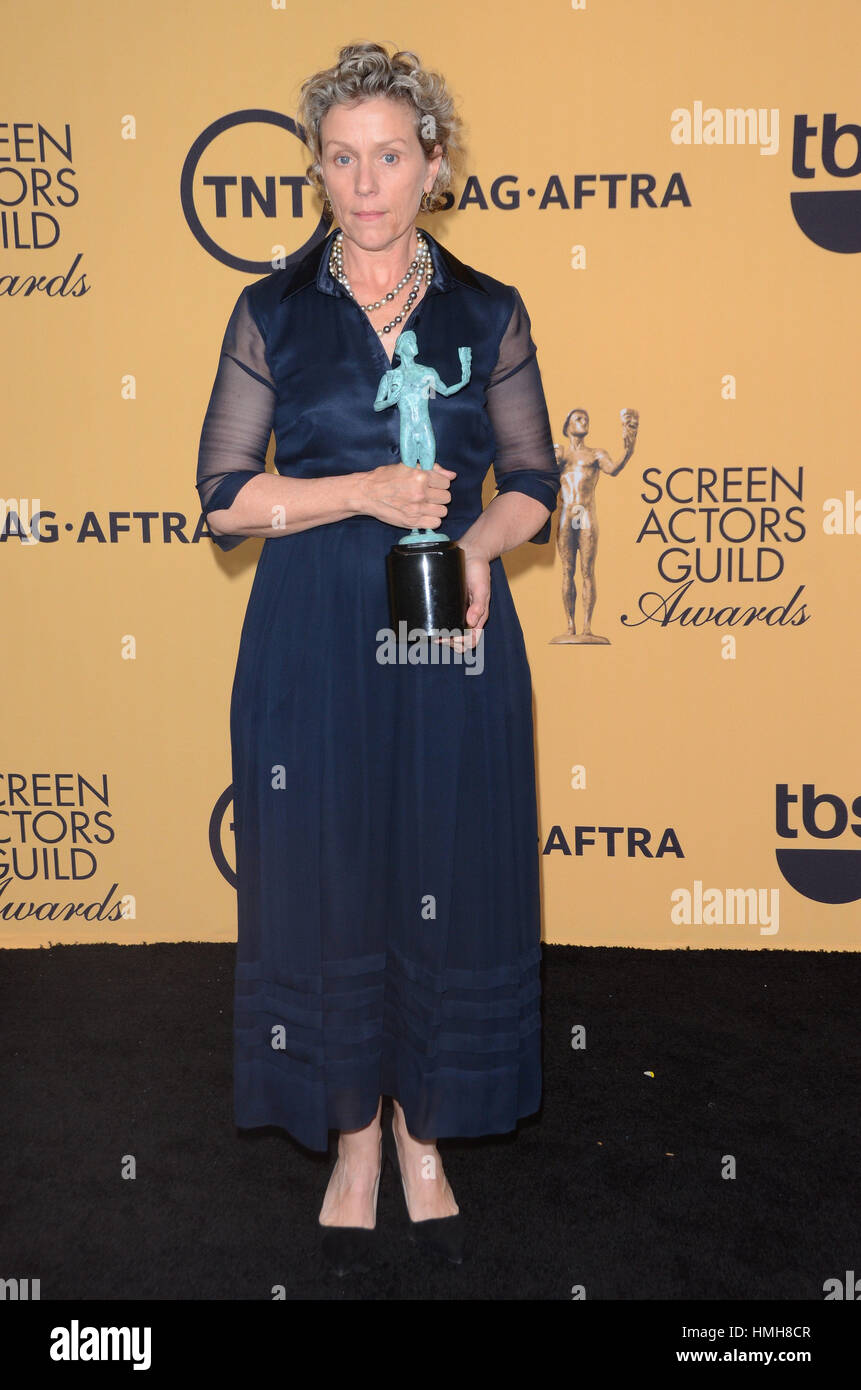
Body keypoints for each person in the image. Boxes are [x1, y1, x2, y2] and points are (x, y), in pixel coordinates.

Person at [195, 40, 560, 1275]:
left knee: (439, 864)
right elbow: (226, 498)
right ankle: (353, 1132)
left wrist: (476, 552)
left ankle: (423, 1130)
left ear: (433, 164)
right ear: (317, 168)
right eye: (342, 159)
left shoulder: (488, 309)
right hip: (311, 635)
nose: (366, 184)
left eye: (389, 156)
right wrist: (358, 488)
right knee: (330, 871)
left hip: (444, 627)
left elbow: (538, 491)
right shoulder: (273, 312)